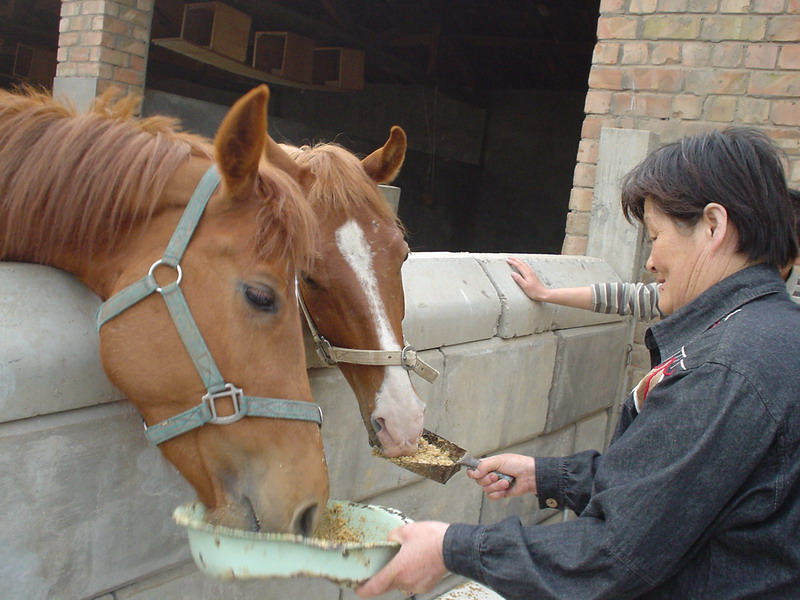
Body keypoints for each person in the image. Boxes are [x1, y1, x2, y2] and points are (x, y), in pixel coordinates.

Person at [356, 127, 800, 599]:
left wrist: (452, 548)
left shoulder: (725, 368)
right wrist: (548, 476)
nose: (650, 262)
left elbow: (615, 553)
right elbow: (677, 488)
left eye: (655, 236)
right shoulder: (769, 331)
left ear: (713, 227)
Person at [507, 189, 800, 321]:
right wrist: (546, 294)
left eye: (657, 237)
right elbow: (631, 298)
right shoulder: (701, 291)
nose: (650, 264)